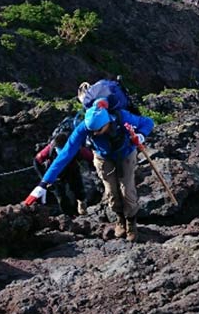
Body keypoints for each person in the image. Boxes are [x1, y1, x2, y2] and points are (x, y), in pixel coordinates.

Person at [24, 97, 154, 243]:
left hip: (125, 153)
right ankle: (120, 220)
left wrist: (141, 135)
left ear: (107, 123)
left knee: (127, 190)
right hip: (103, 157)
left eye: (97, 131)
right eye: (91, 131)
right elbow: (65, 154)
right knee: (111, 191)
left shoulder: (122, 117)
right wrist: (43, 183)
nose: (94, 134)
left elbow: (147, 122)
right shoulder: (84, 128)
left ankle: (131, 224)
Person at [33, 130, 93, 216]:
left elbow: (90, 157)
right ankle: (69, 216)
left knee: (79, 191)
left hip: (72, 170)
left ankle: (82, 207)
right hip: (55, 174)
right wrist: (44, 179)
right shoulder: (49, 150)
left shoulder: (76, 148)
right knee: (61, 197)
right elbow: (36, 161)